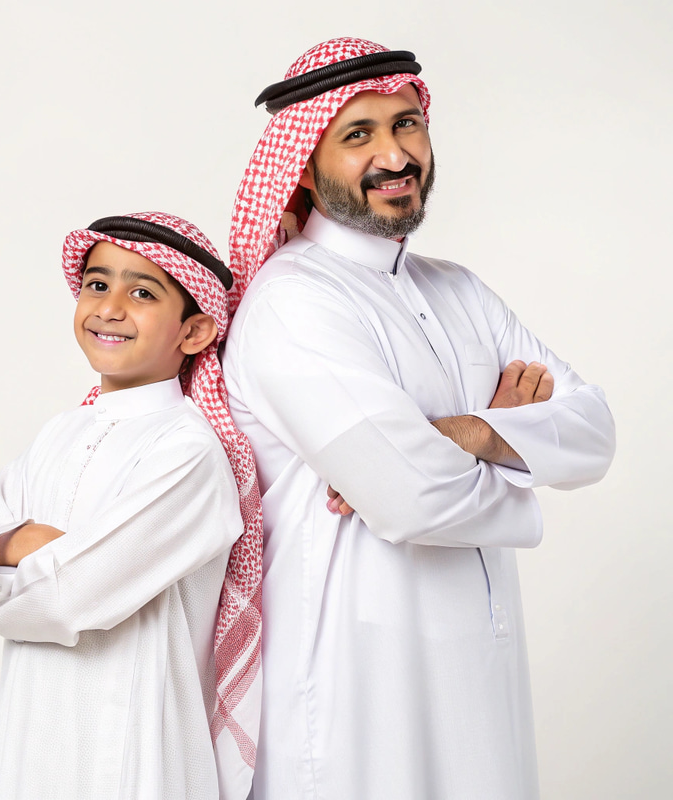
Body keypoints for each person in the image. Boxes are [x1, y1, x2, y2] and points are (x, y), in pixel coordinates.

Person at [222, 37, 616, 799]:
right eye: (358, 135)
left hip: (478, 665)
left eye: (407, 124)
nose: (395, 155)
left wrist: (462, 434)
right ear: (303, 163)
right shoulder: (293, 302)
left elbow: (595, 431)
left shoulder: (459, 290)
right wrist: (523, 453)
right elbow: (411, 499)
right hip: (353, 672)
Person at [0, 212, 262, 800]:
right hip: (31, 725)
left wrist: (1, 581)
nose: (110, 308)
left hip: (134, 738)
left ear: (193, 333)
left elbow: (70, 600)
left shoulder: (188, 451)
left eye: (142, 293)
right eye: (97, 284)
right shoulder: (60, 432)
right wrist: (14, 544)